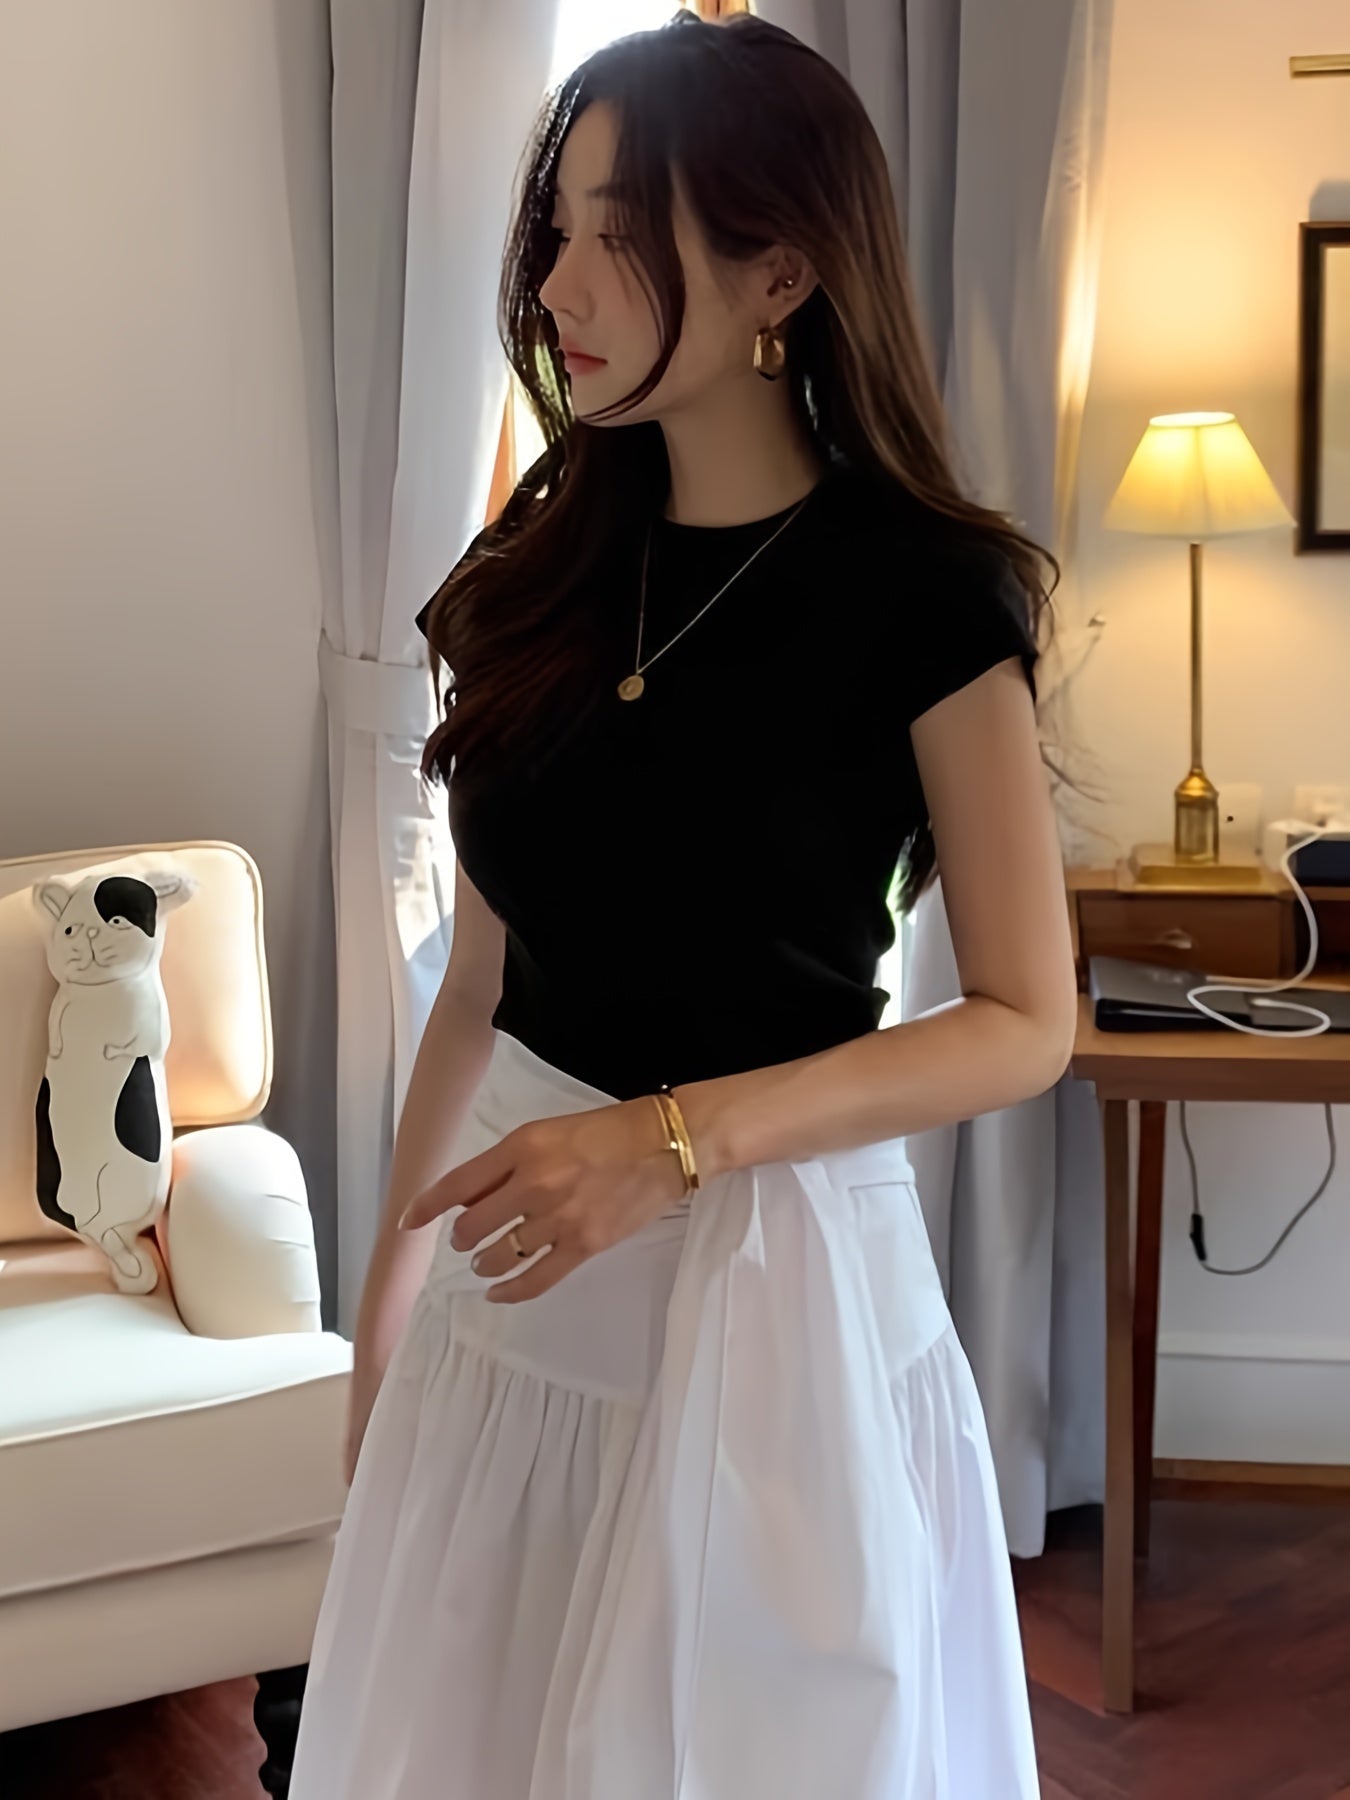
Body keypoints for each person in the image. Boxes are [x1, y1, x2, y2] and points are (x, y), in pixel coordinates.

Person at [288, 14, 1078, 1799]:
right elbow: (478, 983)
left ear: (779, 271)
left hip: (781, 1300)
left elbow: (1027, 1021)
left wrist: (669, 1142)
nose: (555, 284)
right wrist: (383, 1304)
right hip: (512, 1310)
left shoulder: (925, 595)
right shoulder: (530, 573)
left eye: (619, 235)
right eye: (554, 228)